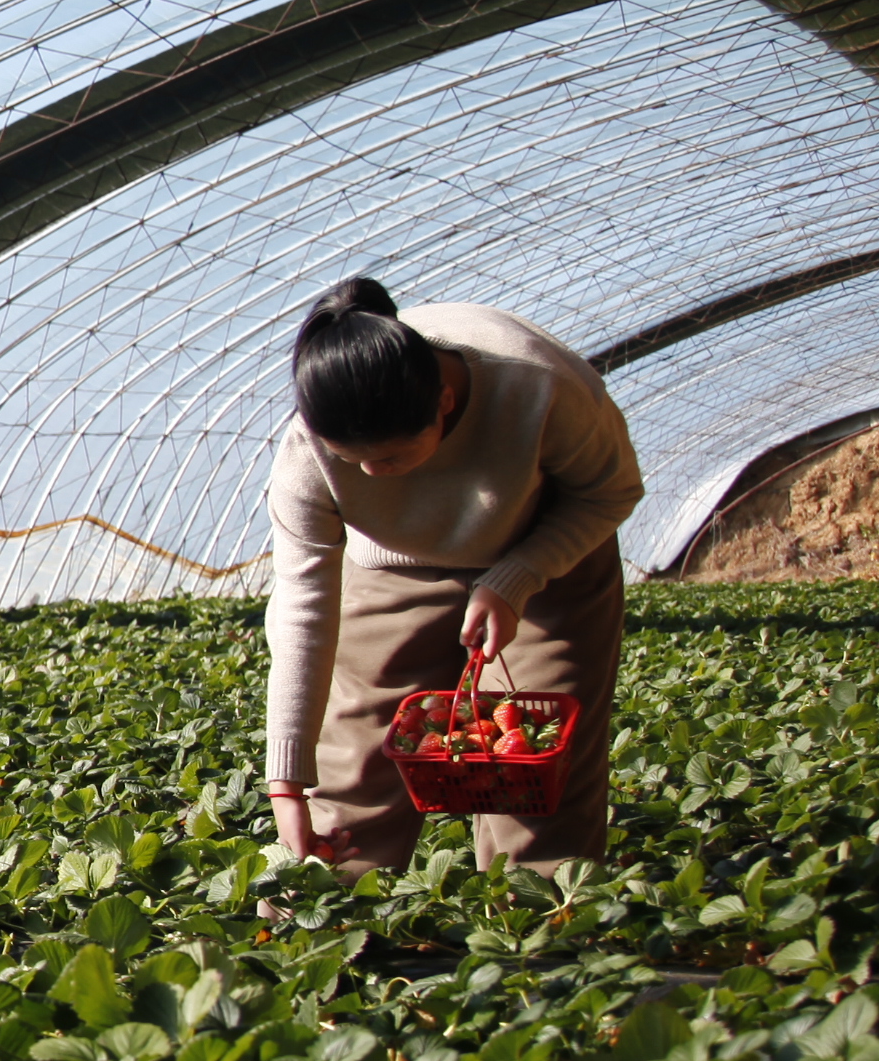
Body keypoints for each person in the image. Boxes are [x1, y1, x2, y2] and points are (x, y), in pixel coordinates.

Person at [265, 280, 641, 873]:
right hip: (391, 567)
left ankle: (542, 935)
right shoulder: (307, 451)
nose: (371, 473)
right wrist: (284, 777)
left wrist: (516, 577)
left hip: (544, 554)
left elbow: (609, 492)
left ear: (443, 402)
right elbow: (302, 606)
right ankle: (324, 926)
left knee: (534, 769)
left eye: (389, 457)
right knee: (357, 764)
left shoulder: (540, 385)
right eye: (351, 459)